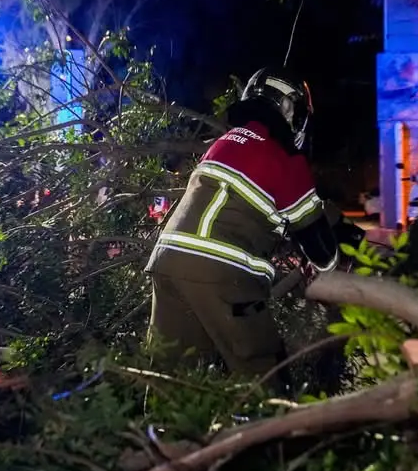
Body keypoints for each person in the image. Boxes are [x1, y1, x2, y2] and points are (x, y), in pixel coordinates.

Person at [144, 66, 347, 380]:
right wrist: (331, 265)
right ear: (293, 113)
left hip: (167, 259)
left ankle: (158, 428)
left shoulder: (222, 144)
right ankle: (272, 425)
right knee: (264, 375)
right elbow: (321, 249)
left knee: (170, 379)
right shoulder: (286, 161)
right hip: (222, 271)